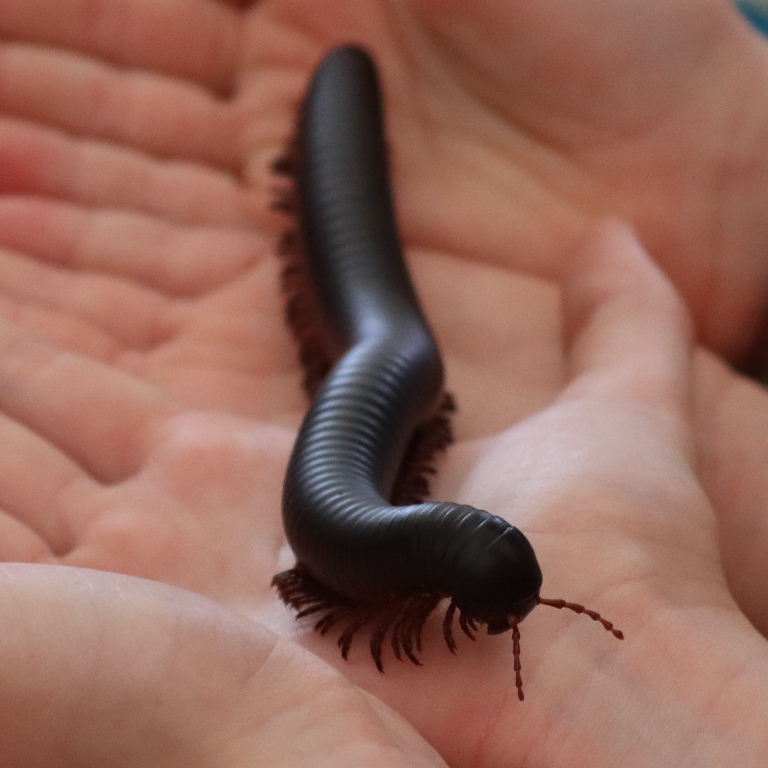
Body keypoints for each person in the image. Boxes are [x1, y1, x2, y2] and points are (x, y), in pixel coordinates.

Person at [0, 0, 767, 765]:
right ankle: (339, 104)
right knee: (386, 348)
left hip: (381, 375)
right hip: (383, 361)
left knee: (385, 350)